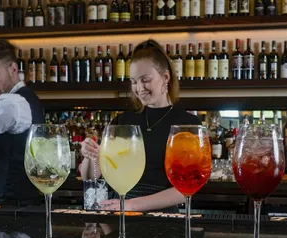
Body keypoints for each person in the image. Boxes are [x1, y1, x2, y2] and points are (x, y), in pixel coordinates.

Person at [81, 39, 201, 212]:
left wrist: (131, 205)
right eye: (134, 81)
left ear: (165, 77)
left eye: (145, 80)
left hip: (161, 216)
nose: (139, 88)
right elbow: (91, 177)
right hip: (117, 211)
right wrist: (89, 155)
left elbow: (187, 188)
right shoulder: (122, 121)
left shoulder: (188, 125)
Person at [0, 39, 44, 204]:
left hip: (8, 202)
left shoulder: (12, 103)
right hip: (19, 200)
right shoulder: (24, 98)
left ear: (13, 69)